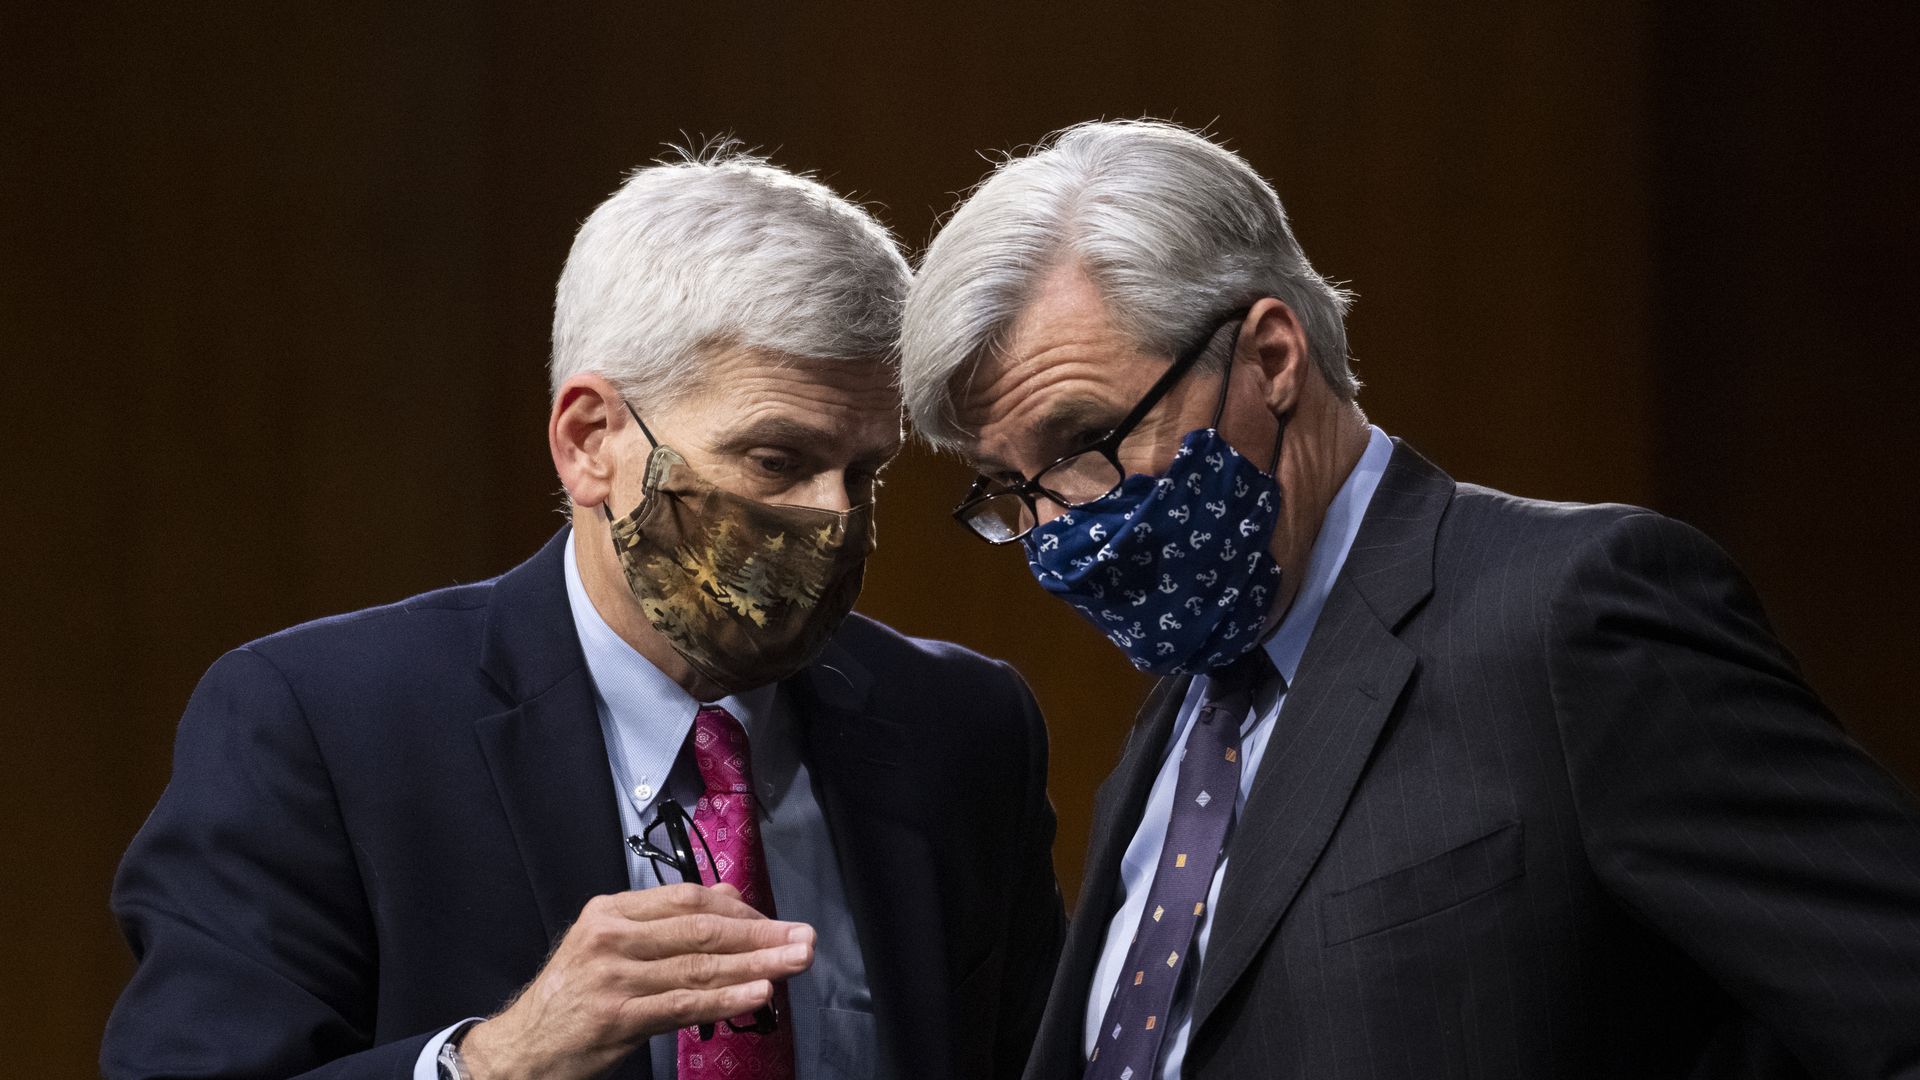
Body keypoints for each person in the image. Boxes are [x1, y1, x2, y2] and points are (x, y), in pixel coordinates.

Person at [899, 119, 1920, 1080]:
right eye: (1011, 487)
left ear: (1270, 357)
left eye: (1083, 446)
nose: (1057, 528)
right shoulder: (1187, 716)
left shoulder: (1572, 618)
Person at [103, 148, 1064, 1080]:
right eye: (776, 460)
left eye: (865, 472)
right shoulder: (319, 727)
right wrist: (496, 1061)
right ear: (589, 441)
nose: (835, 518)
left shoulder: (961, 731)